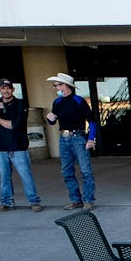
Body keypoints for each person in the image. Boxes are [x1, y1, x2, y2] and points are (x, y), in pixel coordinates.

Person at [0, 79, 41, 212]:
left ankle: (34, 202)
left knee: (25, 175)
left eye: (8, 88)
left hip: (18, 146)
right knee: (4, 177)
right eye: (3, 88)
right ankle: (6, 202)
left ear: (13, 89)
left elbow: (13, 125)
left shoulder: (20, 104)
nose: (6, 90)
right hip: (1, 147)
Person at [44, 74, 98, 210]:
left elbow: (92, 121)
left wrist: (91, 138)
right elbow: (52, 121)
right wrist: (50, 118)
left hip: (78, 136)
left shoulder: (78, 100)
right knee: (67, 171)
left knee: (86, 171)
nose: (55, 88)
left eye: (56, 85)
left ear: (65, 85)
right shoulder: (57, 102)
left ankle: (88, 200)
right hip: (64, 137)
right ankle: (75, 200)